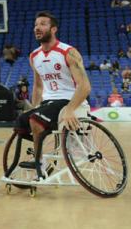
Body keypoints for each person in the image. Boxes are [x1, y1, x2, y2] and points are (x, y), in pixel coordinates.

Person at [14, 12, 92, 177]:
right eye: (36, 25)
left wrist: (70, 109)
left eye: (42, 24)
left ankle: (39, 162)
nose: (37, 28)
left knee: (36, 120)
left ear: (53, 29)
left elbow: (85, 86)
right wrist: (34, 107)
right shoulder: (34, 56)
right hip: (49, 103)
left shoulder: (69, 52)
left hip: (70, 100)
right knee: (22, 120)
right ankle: (37, 153)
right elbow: (38, 86)